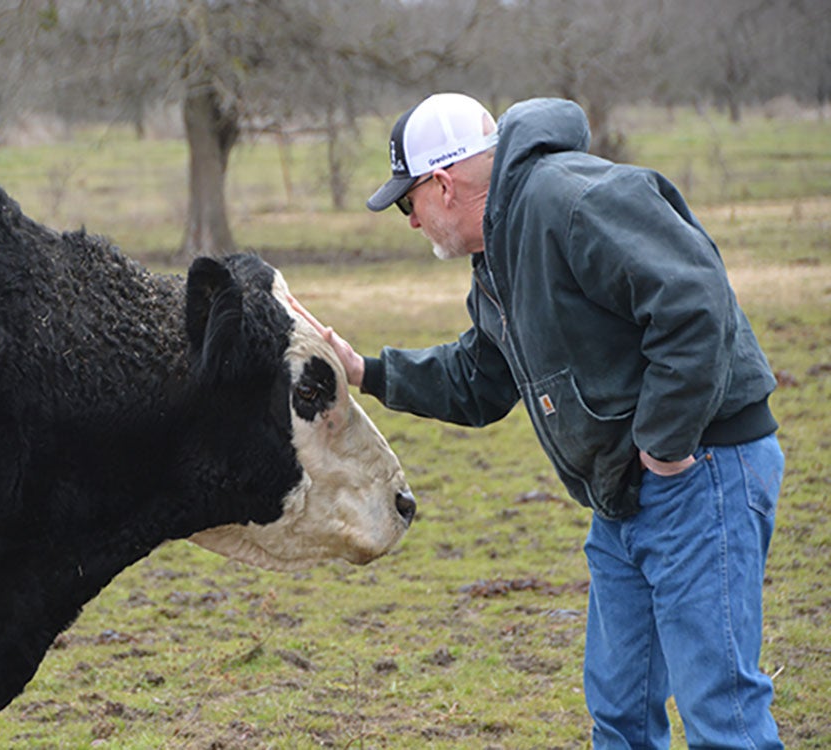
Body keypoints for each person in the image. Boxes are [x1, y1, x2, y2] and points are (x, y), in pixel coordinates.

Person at [292, 93, 785, 748]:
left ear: (441, 185)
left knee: (721, 716)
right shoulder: (497, 257)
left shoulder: (570, 199)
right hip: (624, 493)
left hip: (700, 473)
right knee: (621, 710)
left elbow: (695, 304)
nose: (410, 223)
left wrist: (665, 447)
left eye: (407, 203)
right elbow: (480, 378)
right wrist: (368, 373)